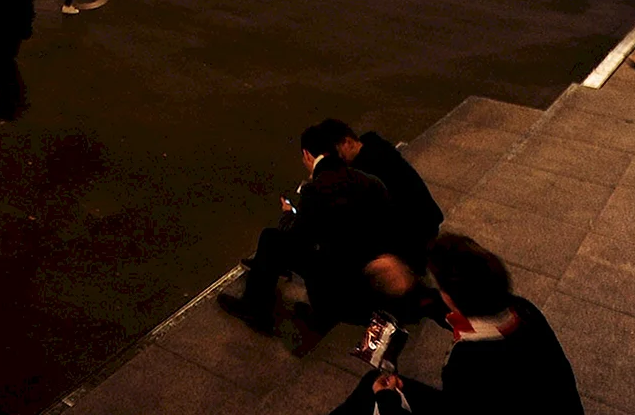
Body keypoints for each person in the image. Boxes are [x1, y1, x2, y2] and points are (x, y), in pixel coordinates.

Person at [325, 234, 581, 415]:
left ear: (451, 296)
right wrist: (410, 287)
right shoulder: (520, 309)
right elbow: (449, 308)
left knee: (373, 389)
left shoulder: (468, 364)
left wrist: (388, 400)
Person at [217, 121, 401, 334]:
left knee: (271, 239)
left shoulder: (315, 190)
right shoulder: (370, 181)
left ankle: (255, 310)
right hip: (374, 279)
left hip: (338, 283)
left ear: (307, 155)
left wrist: (287, 215)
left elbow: (299, 237)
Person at [334, 121, 444, 278]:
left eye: (339, 153)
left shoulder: (368, 169)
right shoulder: (377, 147)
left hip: (414, 231)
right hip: (426, 218)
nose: (340, 158)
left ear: (347, 142)